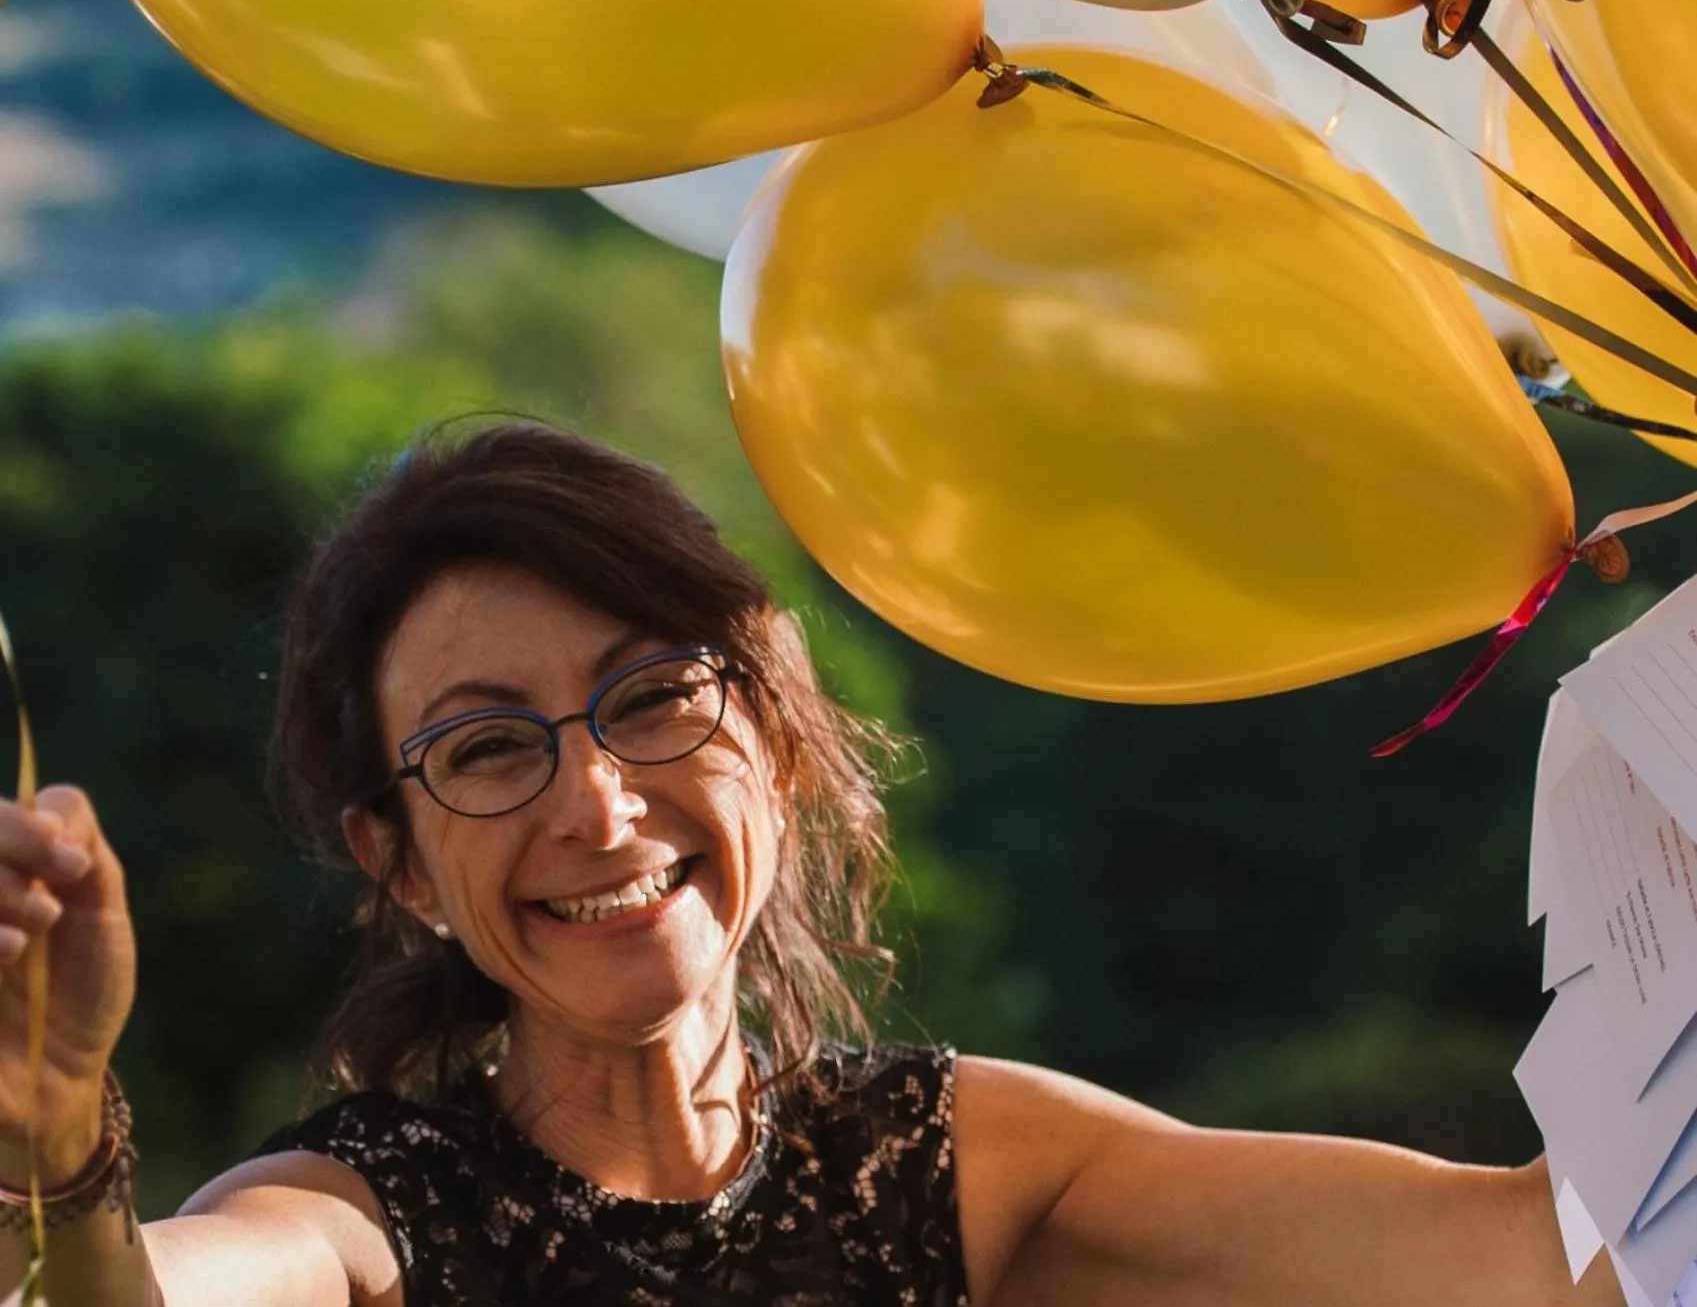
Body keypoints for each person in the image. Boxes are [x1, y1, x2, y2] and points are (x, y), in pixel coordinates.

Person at [0, 421, 1617, 1307]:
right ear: (400, 861)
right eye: (490, 748)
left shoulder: (956, 1165)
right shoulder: (359, 1224)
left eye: (651, 702)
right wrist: (64, 1147)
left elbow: (1534, 1265)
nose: (601, 806)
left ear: (768, 742)